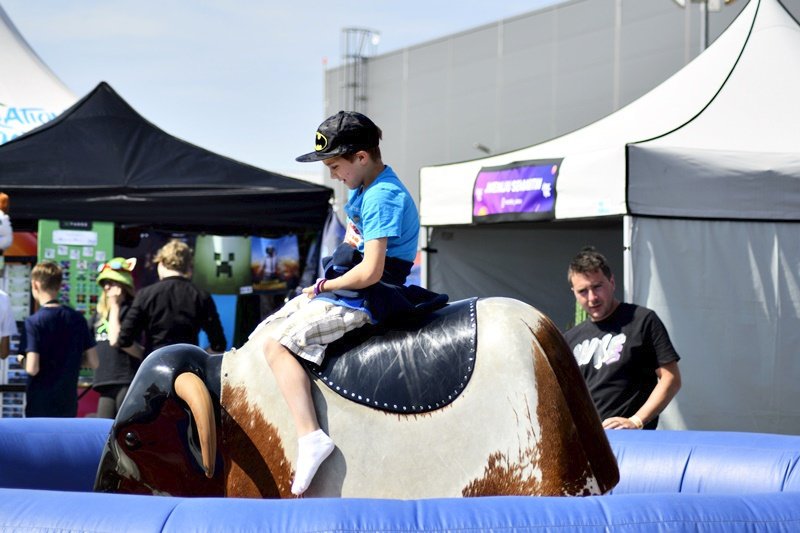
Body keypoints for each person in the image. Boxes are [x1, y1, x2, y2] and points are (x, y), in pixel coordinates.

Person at [253, 110, 444, 496]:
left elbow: (371, 272)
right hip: (350, 287)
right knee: (265, 329)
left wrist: (325, 285)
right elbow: (352, 243)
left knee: (277, 344)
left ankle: (311, 437)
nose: (332, 175)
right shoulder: (362, 191)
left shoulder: (382, 197)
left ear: (361, 157)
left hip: (369, 295)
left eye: (335, 165)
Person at [564, 246, 681, 430]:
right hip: (586, 442)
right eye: (583, 291)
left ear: (612, 282)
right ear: (574, 293)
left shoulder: (642, 320)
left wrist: (636, 421)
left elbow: (671, 378)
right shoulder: (570, 338)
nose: (592, 297)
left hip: (632, 443)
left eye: (597, 286)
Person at [113, 239, 227, 357]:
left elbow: (124, 340)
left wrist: (146, 357)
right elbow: (219, 344)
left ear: (161, 263)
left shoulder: (145, 295)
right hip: (187, 364)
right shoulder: (201, 296)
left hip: (155, 364)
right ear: (188, 267)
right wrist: (198, 358)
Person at [20, 261, 98, 417]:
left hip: (39, 404)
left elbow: (32, 368)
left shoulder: (33, 322)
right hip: (67, 403)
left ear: (35, 285)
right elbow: (93, 362)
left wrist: (21, 359)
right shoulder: (77, 319)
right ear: (60, 285)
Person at [91, 257, 143, 418]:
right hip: (105, 380)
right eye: (104, 283)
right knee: (103, 431)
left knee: (124, 430)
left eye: (112, 282)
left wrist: (114, 306)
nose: (107, 287)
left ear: (123, 285)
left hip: (125, 378)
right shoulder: (98, 314)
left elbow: (115, 339)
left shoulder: (130, 310)